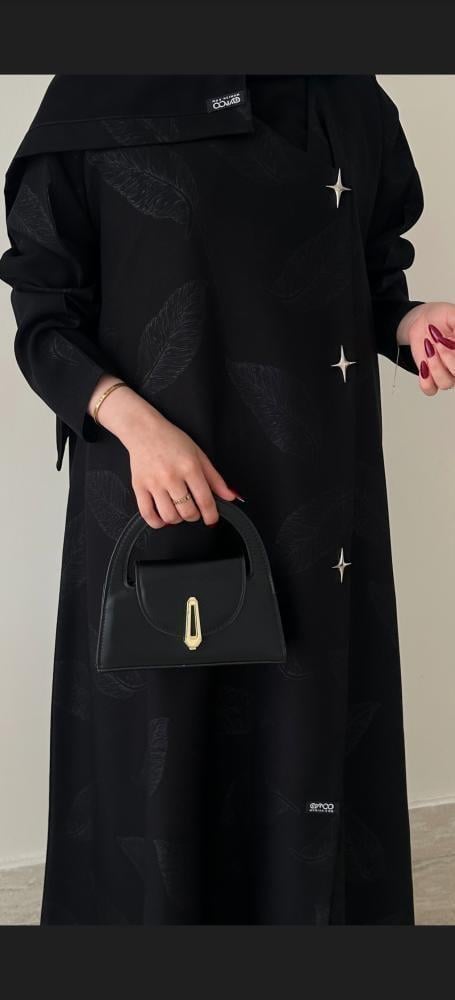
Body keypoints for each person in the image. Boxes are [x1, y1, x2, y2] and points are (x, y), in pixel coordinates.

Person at [0, 74, 453, 926]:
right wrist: (131, 423)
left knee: (309, 765)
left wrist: (408, 323)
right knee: (157, 780)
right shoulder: (96, 92)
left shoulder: (347, 96)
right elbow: (45, 314)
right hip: (156, 501)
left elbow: (366, 275)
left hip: (318, 512)